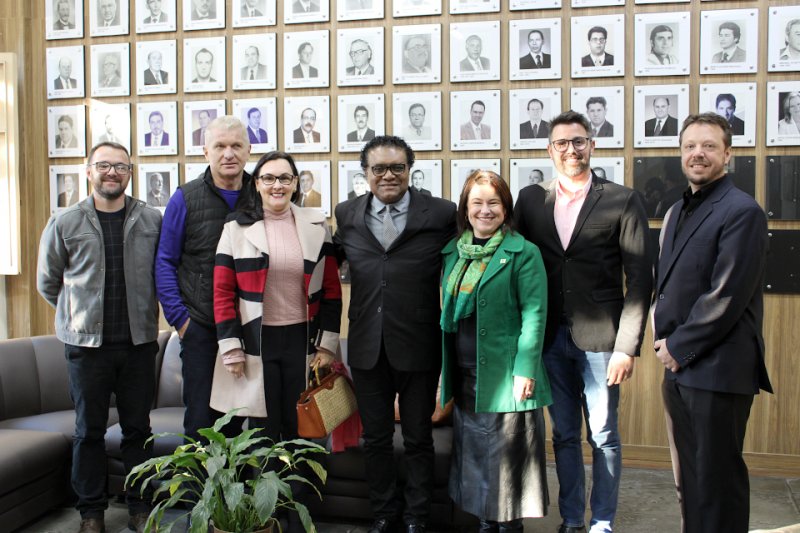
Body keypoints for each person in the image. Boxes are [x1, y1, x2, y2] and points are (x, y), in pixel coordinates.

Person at [514, 110, 652, 533]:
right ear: (549, 150)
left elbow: (640, 280)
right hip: (548, 340)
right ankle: (572, 519)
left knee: (604, 435)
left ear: (592, 145)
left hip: (602, 342)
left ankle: (602, 521)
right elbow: (516, 266)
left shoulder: (622, 199)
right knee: (564, 435)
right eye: (562, 143)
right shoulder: (530, 200)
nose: (570, 150)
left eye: (578, 141)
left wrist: (627, 346)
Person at [653, 112, 772, 533]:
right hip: (680, 370)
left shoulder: (742, 211)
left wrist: (676, 347)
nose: (697, 154)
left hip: (718, 371)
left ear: (728, 153)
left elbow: (727, 294)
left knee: (717, 484)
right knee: (690, 483)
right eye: (690, 146)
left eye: (708, 146)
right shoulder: (675, 211)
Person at [213, 151, 342, 533]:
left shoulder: (317, 224)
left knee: (302, 433)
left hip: (303, 342)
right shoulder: (236, 228)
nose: (277, 185)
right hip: (258, 342)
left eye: (285, 178)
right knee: (263, 435)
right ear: (256, 184)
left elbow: (331, 290)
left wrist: (327, 345)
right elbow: (222, 292)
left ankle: (300, 518)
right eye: (268, 178)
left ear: (295, 183)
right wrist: (230, 348)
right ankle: (267, 518)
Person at [334, 135, 456, 533]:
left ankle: (417, 518)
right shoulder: (347, 213)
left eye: (397, 168)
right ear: (366, 173)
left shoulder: (441, 213)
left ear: (410, 170)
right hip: (367, 345)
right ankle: (384, 515)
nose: (388, 175)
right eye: (379, 168)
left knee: (419, 439)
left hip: (419, 344)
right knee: (376, 439)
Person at [37, 141, 162, 533]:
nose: (112, 173)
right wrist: (77, 315)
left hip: (138, 345)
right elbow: (48, 282)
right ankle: (91, 514)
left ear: (130, 173)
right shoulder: (66, 221)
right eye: (104, 165)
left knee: (138, 431)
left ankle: (140, 506)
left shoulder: (150, 219)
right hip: (86, 348)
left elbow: (164, 273)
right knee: (88, 431)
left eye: (121, 167)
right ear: (89, 171)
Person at [440, 170, 550, 530]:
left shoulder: (523, 252)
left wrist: (525, 370)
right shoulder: (453, 254)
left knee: (508, 473)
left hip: (506, 379)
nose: (485, 210)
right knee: (477, 471)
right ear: (465, 209)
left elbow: (535, 315)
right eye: (477, 203)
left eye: (493, 203)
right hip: (466, 378)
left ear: (506, 208)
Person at [155, 116, 253, 441]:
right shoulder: (184, 198)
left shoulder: (262, 194)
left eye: (236, 145)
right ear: (205, 152)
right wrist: (181, 321)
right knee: (200, 424)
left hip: (251, 330)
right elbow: (165, 262)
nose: (229, 153)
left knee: (245, 427)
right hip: (201, 328)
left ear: (249, 150)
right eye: (220, 146)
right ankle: (200, 480)